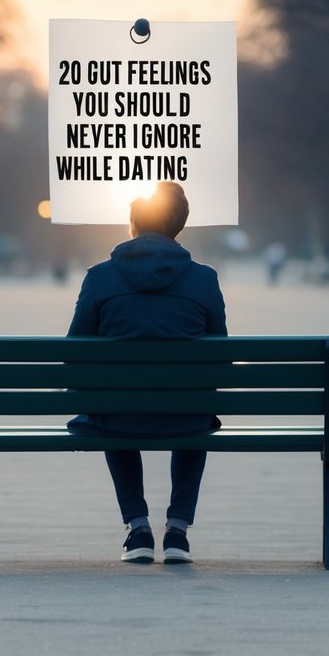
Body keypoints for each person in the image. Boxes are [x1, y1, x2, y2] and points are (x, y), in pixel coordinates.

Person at [66, 181, 227, 564]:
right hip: (186, 415)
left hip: (117, 416)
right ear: (179, 227)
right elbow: (221, 357)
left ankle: (138, 528)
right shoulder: (204, 279)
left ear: (133, 224)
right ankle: (178, 532)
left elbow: (73, 350)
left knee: (109, 409)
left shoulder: (99, 277)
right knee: (197, 413)